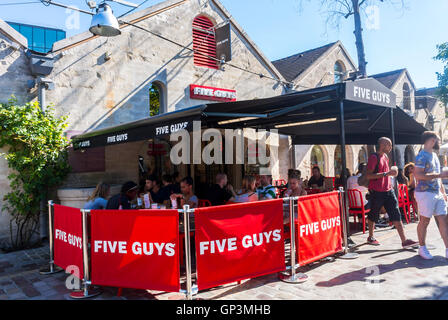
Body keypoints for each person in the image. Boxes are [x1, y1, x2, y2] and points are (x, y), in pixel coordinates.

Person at [365, 137, 417, 248]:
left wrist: (392, 173)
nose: (391, 147)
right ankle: (370, 236)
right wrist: (386, 173)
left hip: (388, 191)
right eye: (389, 145)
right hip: (377, 191)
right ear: (382, 145)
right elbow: (368, 175)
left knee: (396, 214)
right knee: (374, 214)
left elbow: (388, 173)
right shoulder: (374, 157)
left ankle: (404, 241)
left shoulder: (386, 157)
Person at [413, 131, 448, 260]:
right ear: (432, 140)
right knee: (425, 221)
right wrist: (439, 175)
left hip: (436, 193)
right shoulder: (422, 156)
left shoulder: (433, 155)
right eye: (437, 140)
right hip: (424, 193)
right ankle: (422, 248)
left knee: (444, 219)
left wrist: (442, 192)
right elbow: (418, 175)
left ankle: (447, 249)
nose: (439, 142)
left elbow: (438, 177)